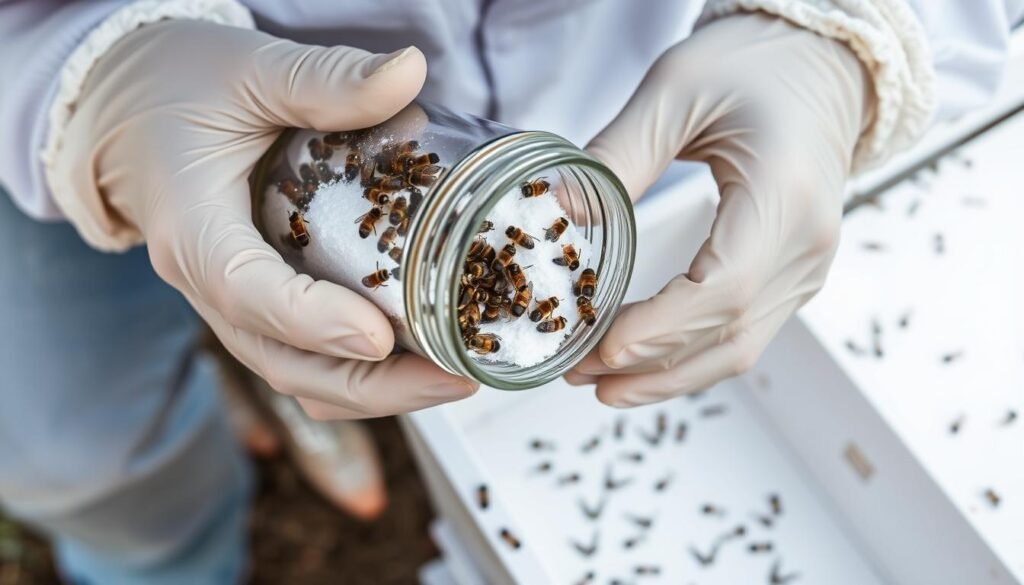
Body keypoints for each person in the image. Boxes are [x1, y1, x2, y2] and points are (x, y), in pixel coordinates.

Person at [0, 0, 1020, 583]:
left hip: (576, 148)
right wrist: (93, 73)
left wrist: (849, 39)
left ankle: (274, 361)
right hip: (163, 84)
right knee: (70, 447)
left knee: (336, 316)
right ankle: (161, 549)